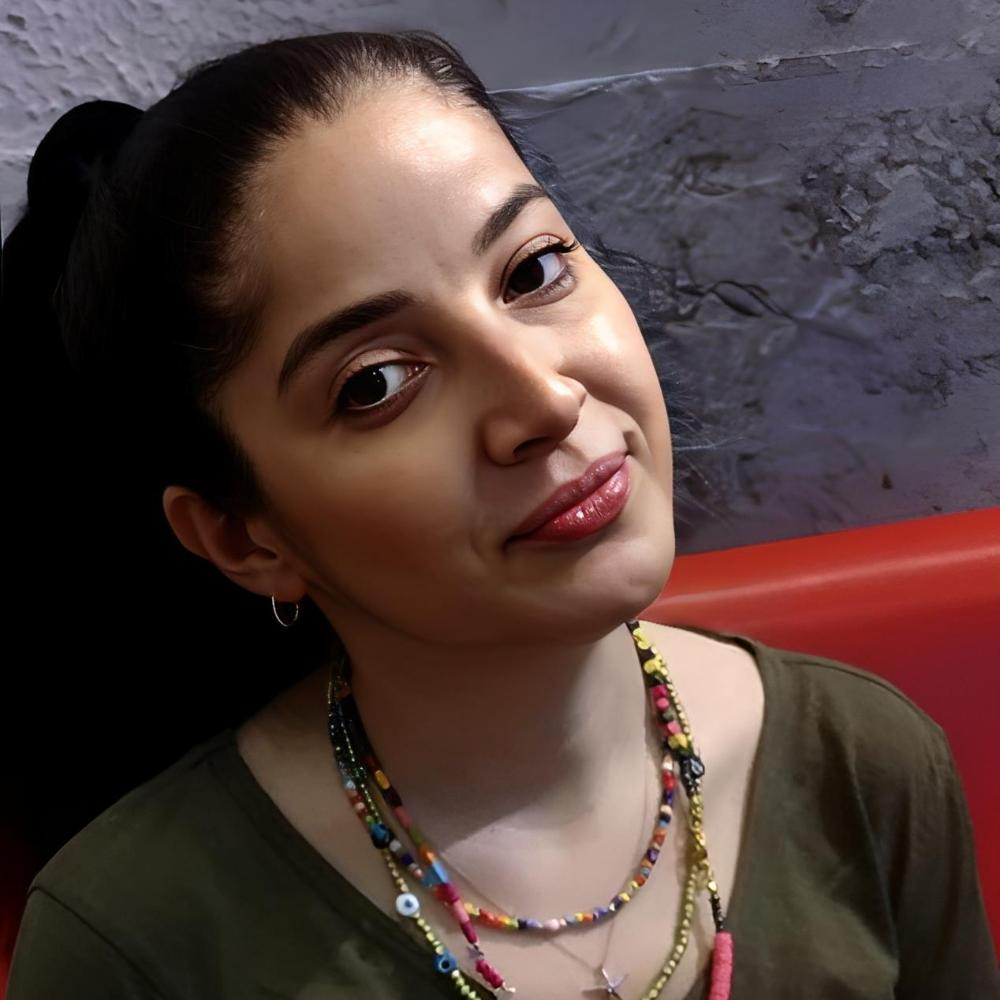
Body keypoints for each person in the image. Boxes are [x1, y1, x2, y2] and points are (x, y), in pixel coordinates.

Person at [4, 29, 997, 1000]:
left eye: (532, 271)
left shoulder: (862, 764)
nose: (545, 399)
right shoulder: (131, 942)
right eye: (377, 381)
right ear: (242, 536)